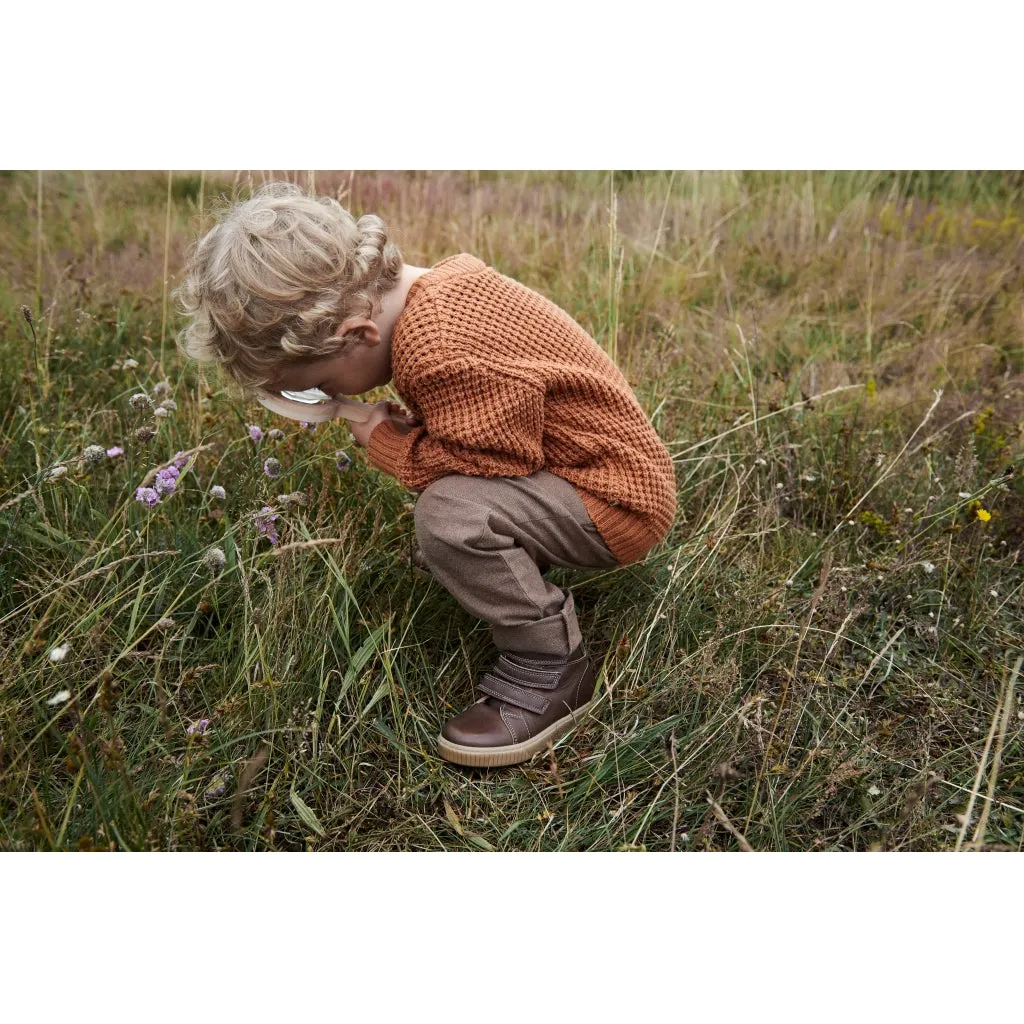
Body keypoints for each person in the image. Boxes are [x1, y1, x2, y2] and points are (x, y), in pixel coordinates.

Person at [175, 180, 677, 768]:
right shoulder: (440, 293)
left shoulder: (436, 348)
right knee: (452, 512)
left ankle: (551, 661)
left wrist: (388, 443)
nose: (325, 397)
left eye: (320, 384)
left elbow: (494, 464)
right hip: (586, 470)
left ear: (356, 336)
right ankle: (508, 570)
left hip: (616, 501)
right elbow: (495, 427)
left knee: (448, 516)